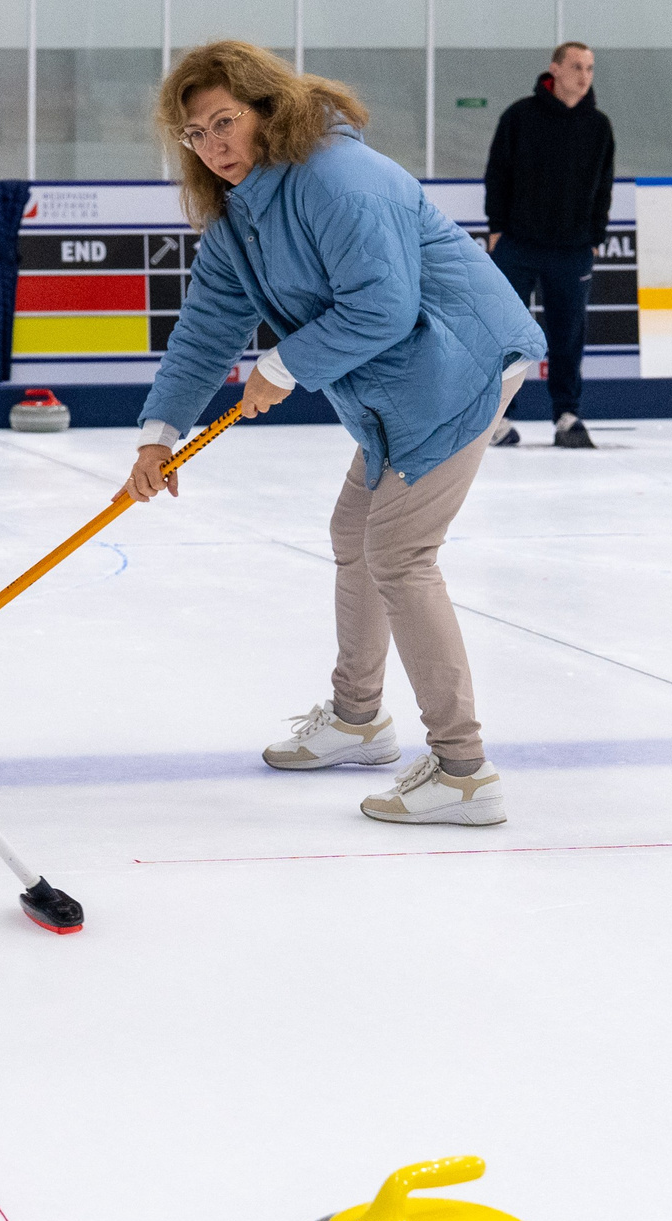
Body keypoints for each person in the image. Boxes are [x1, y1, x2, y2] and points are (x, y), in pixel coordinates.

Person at [124, 40, 546, 827]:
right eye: (197, 134)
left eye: (226, 122)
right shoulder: (241, 216)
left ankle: (463, 770)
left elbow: (381, 307)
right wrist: (159, 433)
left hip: (462, 366)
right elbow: (206, 330)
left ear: (267, 108)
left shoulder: (337, 179)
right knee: (354, 532)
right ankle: (357, 720)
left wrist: (279, 368)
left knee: (398, 553)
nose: (214, 146)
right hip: (400, 383)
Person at [482, 41, 616, 449]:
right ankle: (498, 418)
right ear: (554, 69)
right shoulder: (520, 116)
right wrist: (497, 228)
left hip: (572, 249)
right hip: (517, 244)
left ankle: (567, 416)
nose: (584, 75)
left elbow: (603, 188)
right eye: (576, 66)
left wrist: (593, 237)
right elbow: (497, 172)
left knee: (568, 333)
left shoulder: (598, 126)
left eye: (590, 67)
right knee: (507, 334)